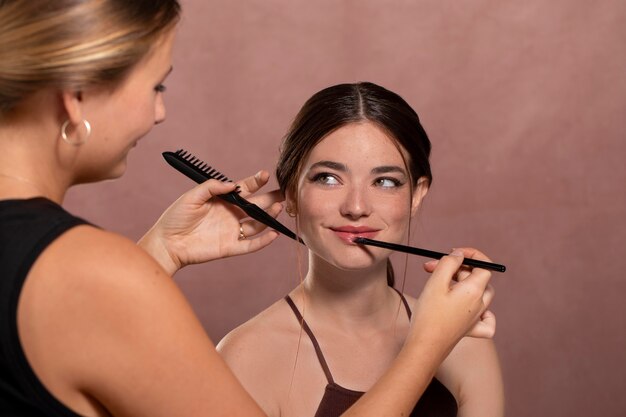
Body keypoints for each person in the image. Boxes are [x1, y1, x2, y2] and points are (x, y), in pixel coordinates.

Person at [0, 1, 496, 416]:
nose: (159, 112)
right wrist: (429, 345)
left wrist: (161, 251)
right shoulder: (90, 272)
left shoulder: (66, 269)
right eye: (157, 85)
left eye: (385, 180)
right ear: (77, 97)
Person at [217, 82, 504, 417]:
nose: (356, 207)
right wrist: (429, 346)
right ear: (292, 193)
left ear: (416, 195)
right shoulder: (246, 356)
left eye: (384, 181)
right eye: (327, 178)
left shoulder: (464, 339)